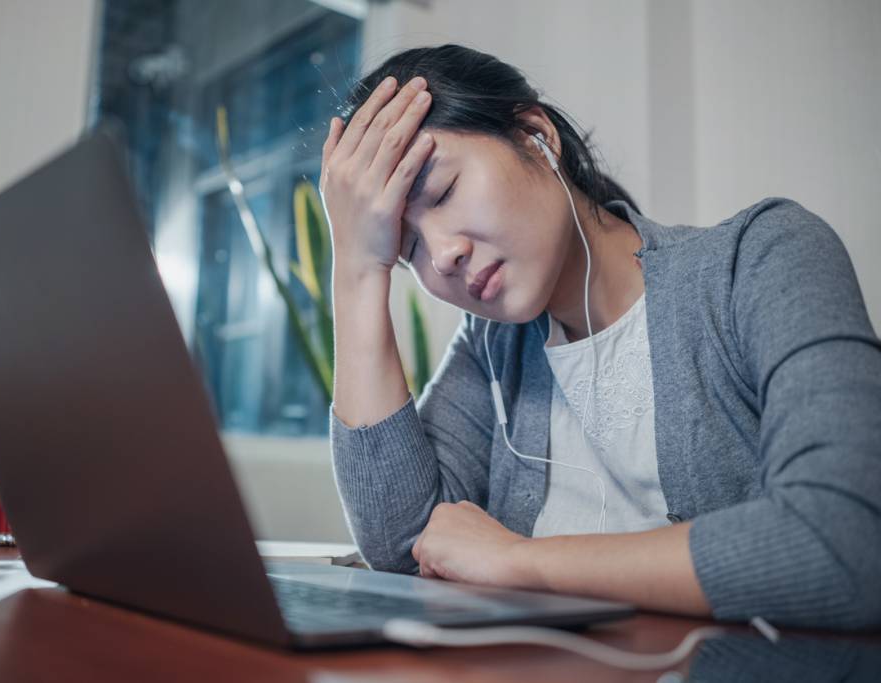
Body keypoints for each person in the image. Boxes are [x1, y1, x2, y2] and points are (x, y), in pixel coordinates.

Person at [319, 44, 881, 630]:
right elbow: (405, 545)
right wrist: (359, 271)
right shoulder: (490, 347)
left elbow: (847, 542)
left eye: (442, 193)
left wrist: (519, 562)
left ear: (536, 135)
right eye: (407, 249)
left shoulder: (763, 259)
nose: (443, 253)